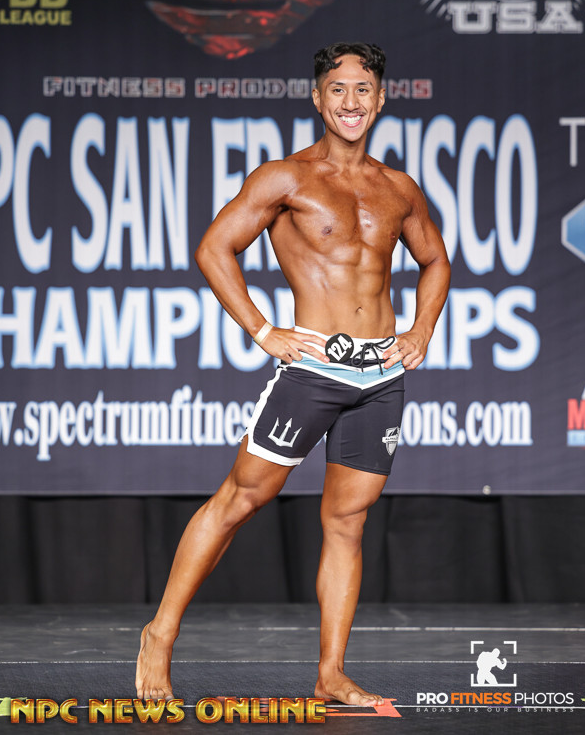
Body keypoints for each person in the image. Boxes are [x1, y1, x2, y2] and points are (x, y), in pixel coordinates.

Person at [135, 42, 450, 706]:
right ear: (317, 98)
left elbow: (435, 261)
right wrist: (261, 329)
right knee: (240, 500)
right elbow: (214, 248)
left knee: (348, 522)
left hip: (379, 376)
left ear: (381, 99)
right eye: (338, 90)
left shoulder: (399, 188)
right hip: (313, 369)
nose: (350, 102)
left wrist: (421, 329)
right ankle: (160, 633)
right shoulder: (286, 178)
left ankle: (330, 673)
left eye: (362, 90)